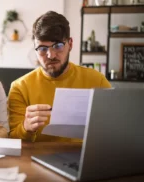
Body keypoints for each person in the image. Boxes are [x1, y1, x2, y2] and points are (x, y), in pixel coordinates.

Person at [8, 11, 111, 142]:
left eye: (58, 46)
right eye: (42, 48)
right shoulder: (19, 87)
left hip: (84, 158)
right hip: (36, 160)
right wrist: (26, 127)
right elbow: (13, 141)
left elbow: (114, 128)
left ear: (70, 44)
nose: (51, 55)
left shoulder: (97, 81)